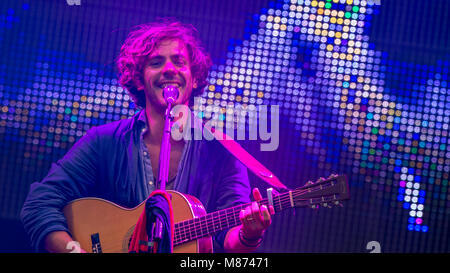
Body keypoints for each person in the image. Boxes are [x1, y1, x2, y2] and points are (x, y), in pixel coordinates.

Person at [20, 18, 274, 253]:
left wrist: (249, 233)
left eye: (179, 62)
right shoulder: (104, 141)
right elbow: (39, 203)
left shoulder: (221, 151)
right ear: (140, 80)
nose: (169, 69)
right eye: (155, 63)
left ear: (194, 78)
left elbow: (230, 240)